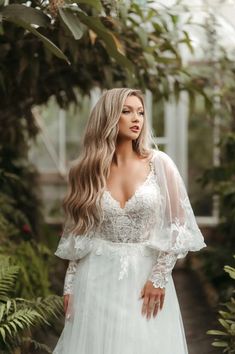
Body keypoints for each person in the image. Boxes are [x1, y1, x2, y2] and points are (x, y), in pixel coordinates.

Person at [53, 88, 207, 354]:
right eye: (127, 111)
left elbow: (177, 226)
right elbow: (80, 233)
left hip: (145, 279)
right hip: (94, 279)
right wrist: (70, 286)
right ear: (109, 117)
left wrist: (159, 277)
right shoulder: (86, 171)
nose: (137, 118)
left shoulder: (160, 164)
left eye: (141, 112)